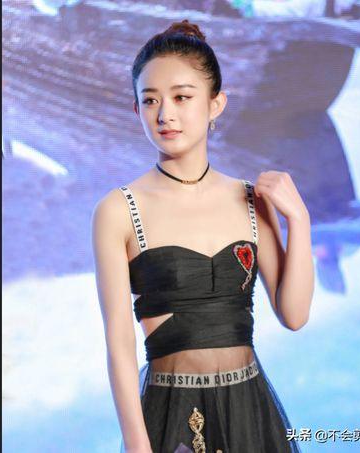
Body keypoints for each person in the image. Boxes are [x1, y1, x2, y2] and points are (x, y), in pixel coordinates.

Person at [92, 19, 314, 453]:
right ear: (137, 110)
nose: (165, 114)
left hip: (250, 409)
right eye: (150, 100)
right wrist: (138, 445)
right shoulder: (118, 210)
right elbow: (119, 344)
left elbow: (294, 314)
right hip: (170, 414)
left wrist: (300, 221)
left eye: (182, 97)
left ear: (216, 104)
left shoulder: (251, 200)